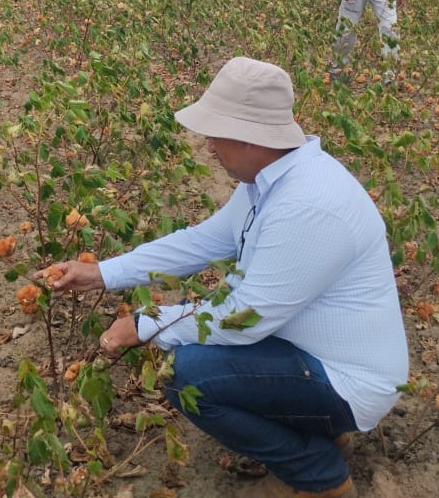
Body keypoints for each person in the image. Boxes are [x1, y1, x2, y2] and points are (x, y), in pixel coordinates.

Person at [38, 57, 408, 498]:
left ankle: (319, 474)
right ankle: (318, 428)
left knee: (187, 371)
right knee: (192, 348)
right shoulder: (270, 181)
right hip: (310, 353)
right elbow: (200, 242)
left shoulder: (307, 205)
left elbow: (244, 317)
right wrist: (100, 273)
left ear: (250, 136)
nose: (209, 146)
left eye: (215, 134)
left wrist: (142, 325)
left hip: (347, 381)